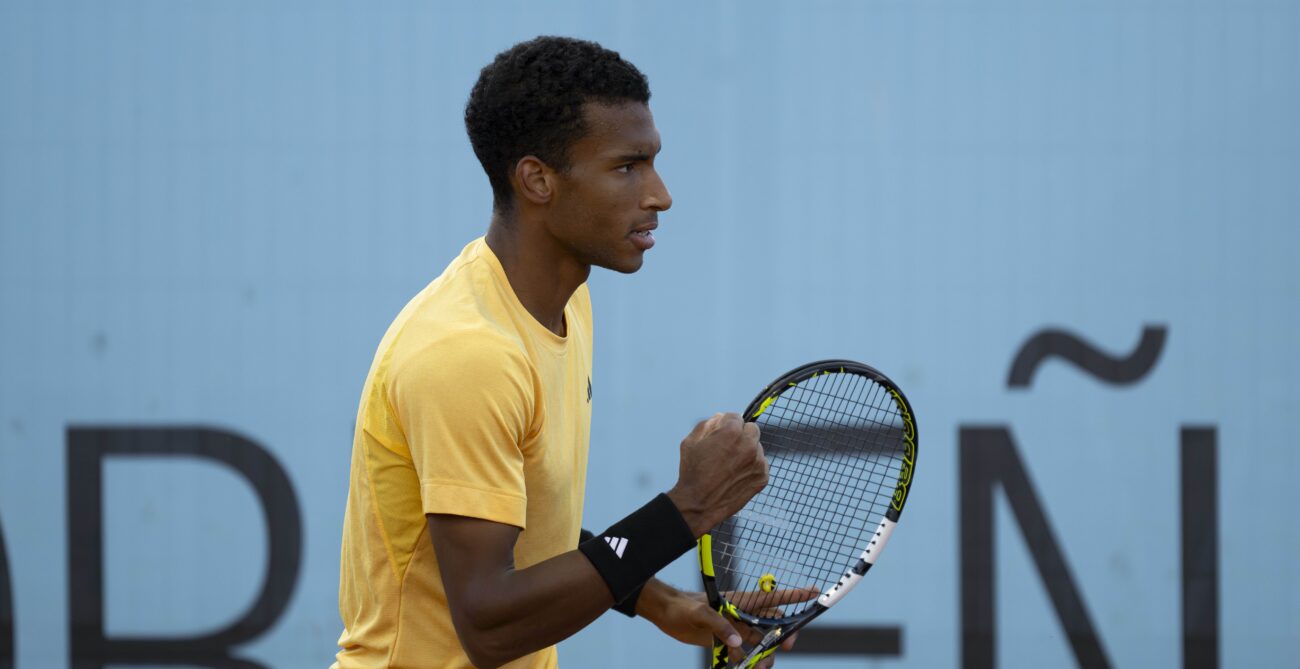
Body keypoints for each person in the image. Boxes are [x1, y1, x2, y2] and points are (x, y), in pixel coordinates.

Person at [333, 36, 807, 669]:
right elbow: (489, 626)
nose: (660, 194)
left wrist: (662, 603)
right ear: (537, 180)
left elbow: (521, 529)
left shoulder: (566, 302)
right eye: (627, 166)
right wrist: (687, 507)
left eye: (653, 163)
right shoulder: (467, 355)